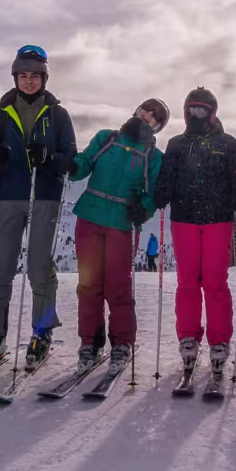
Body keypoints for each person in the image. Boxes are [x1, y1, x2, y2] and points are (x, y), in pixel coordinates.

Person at [0, 45, 77, 369]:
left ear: (44, 78)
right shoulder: (2, 111)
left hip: (44, 195)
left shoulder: (58, 114)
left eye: (35, 75)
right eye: (23, 75)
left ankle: (42, 331)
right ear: (15, 77)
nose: (29, 81)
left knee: (38, 267)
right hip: (8, 194)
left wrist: (50, 160)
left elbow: (71, 159)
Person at [152, 87, 236, 376]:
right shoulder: (177, 144)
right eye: (192, 110)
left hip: (218, 219)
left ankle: (219, 340)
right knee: (187, 281)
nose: (197, 115)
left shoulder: (227, 142)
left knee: (215, 281)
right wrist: (161, 193)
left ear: (212, 112)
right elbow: (167, 174)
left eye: (202, 110)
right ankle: (188, 336)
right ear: (185, 113)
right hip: (184, 219)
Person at [68, 98, 167, 374]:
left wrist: (142, 210)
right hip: (90, 216)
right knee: (88, 284)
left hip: (120, 225)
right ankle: (89, 341)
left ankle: (122, 342)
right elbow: (84, 164)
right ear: (136, 110)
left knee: (118, 287)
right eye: (146, 109)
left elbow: (153, 196)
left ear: (157, 126)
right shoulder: (106, 138)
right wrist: (72, 166)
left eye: (155, 116)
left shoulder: (154, 157)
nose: (148, 115)